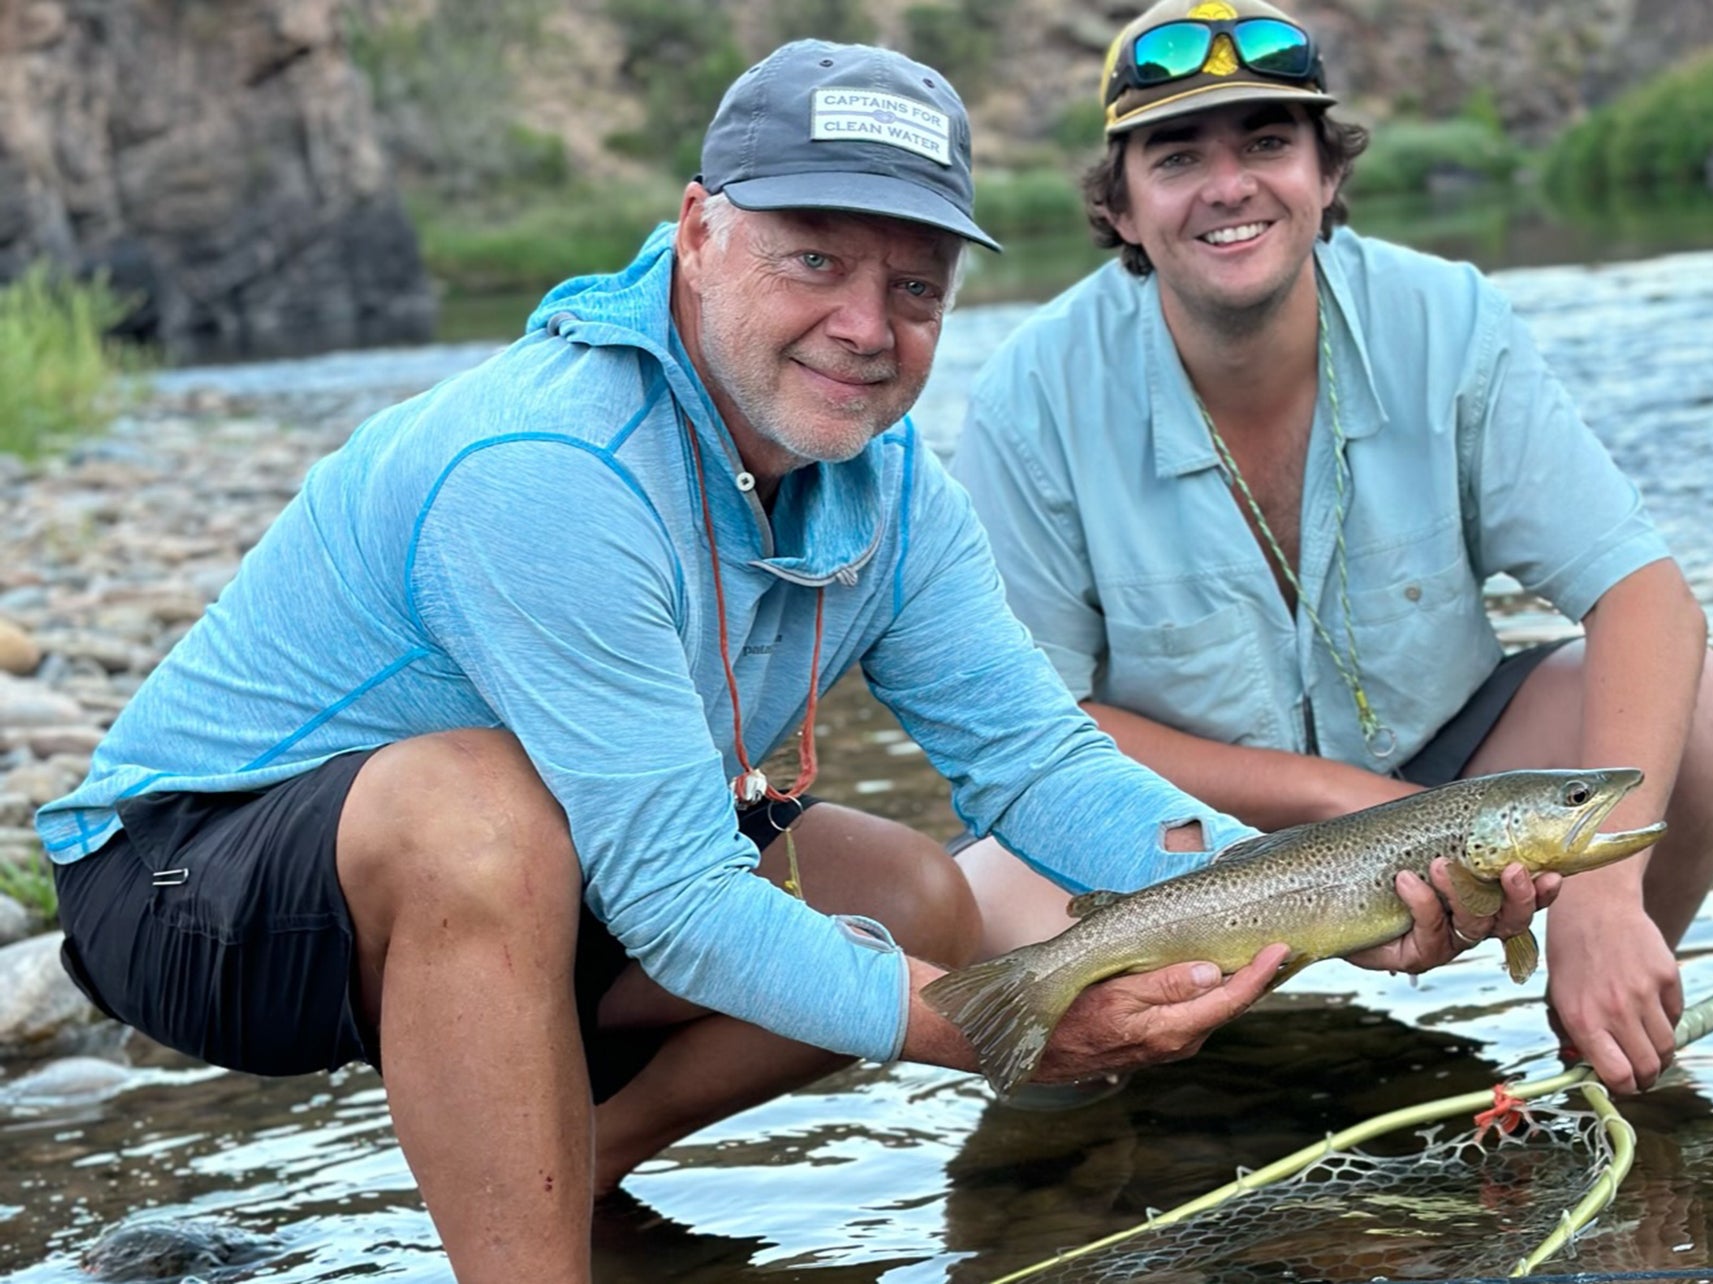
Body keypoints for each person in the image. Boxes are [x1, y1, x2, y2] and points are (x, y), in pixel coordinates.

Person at [35, 40, 1546, 1283]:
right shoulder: (543, 466)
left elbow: (1037, 765)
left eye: (915, 287)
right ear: (698, 231)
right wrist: (979, 1029)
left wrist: (1337, 902)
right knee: (479, 812)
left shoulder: (893, 489)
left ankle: (569, 1162)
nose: (864, 326)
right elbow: (683, 906)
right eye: (813, 257)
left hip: (563, 867)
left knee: (912, 895)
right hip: (186, 883)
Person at [951, 0, 1713, 1100]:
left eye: (1267, 142)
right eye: (1177, 157)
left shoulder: (1449, 319)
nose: (1229, 186)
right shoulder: (1031, 393)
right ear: (1120, 208)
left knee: (1703, 715)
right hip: (1173, 831)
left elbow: (1644, 595)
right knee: (993, 928)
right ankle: (1107, 1131)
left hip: (1442, 773)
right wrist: (1341, 800)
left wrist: (1606, 897)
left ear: (1327, 174)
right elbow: (1035, 727)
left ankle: (1605, 1036)